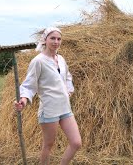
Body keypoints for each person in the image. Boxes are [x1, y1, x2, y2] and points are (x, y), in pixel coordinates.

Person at [14, 27, 82, 165]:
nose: (56, 41)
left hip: (65, 108)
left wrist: (69, 90)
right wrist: (23, 100)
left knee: (76, 143)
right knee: (48, 145)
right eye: (52, 38)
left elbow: (67, 76)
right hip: (49, 110)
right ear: (45, 40)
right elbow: (29, 85)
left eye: (58, 39)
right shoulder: (38, 61)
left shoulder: (61, 59)